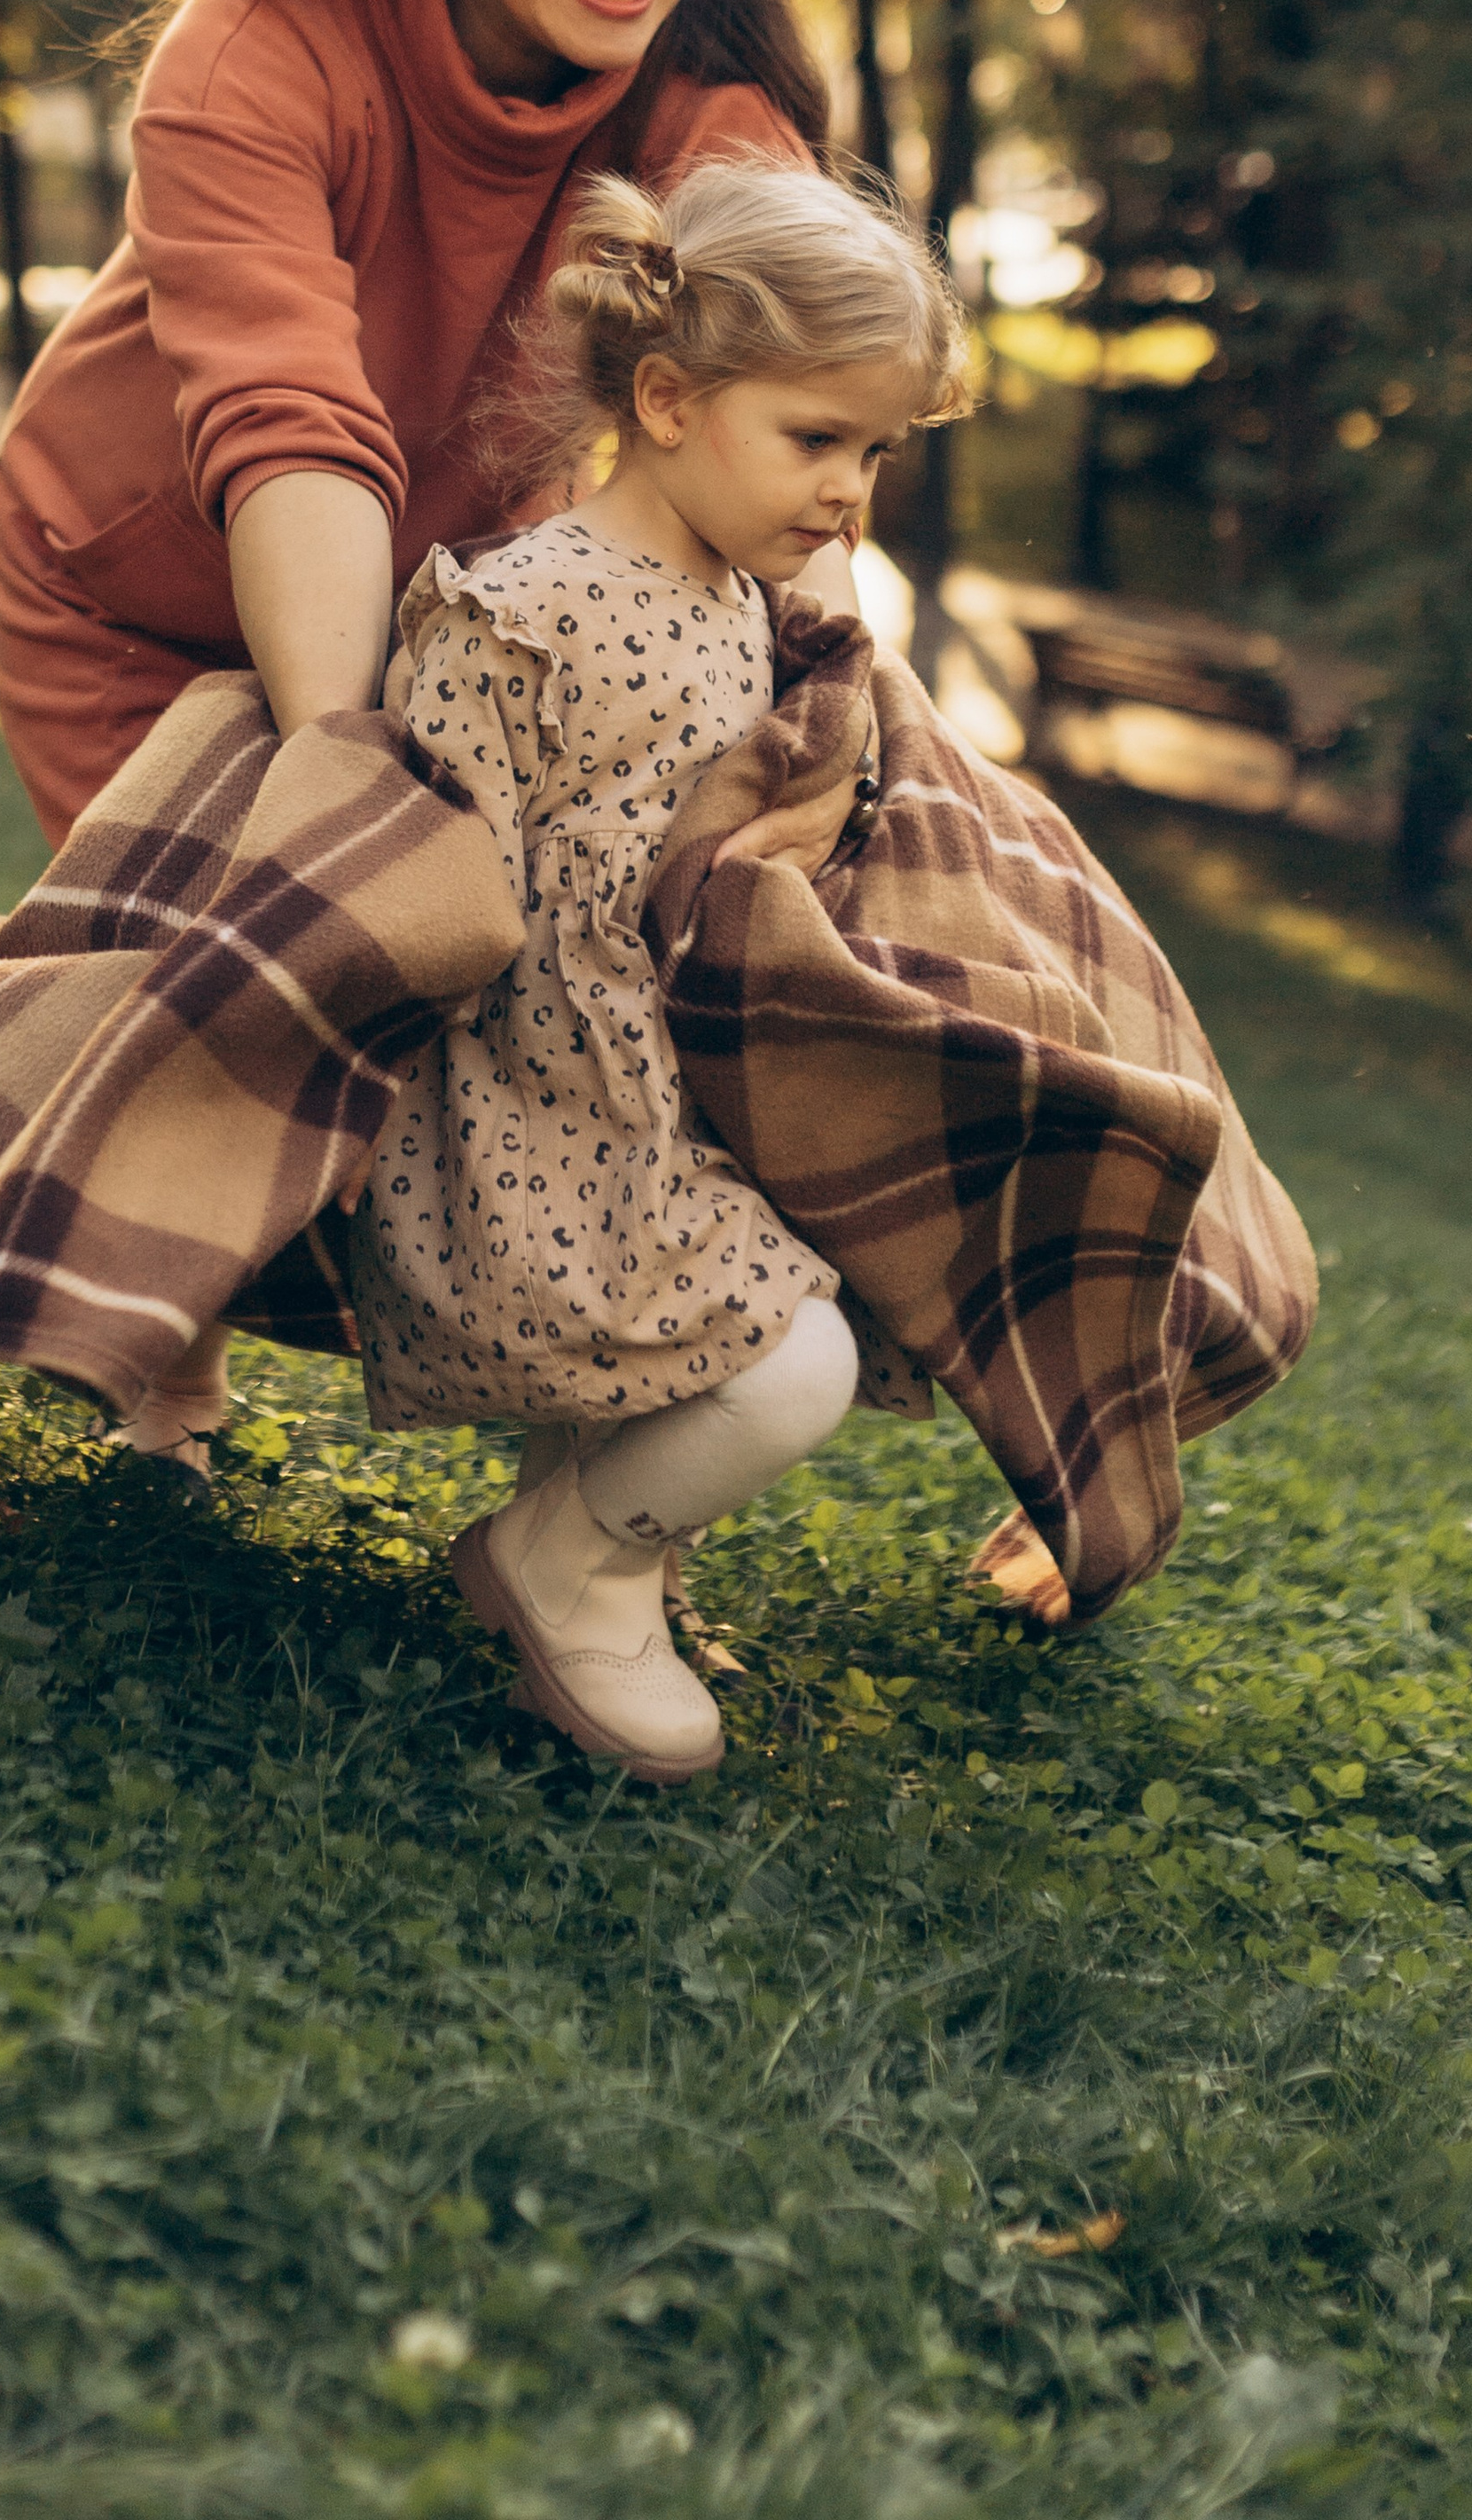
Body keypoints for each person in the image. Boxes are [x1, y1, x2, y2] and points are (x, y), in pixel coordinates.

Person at [0, 0, 863, 1475]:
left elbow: (740, 473)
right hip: (150, 591)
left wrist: (799, 726)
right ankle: (156, 1331)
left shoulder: (715, 124)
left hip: (468, 615)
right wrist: (344, 778)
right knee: (249, 979)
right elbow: (288, 422)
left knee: (555, 998)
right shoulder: (265, 42)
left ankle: (605, 1495)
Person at [348, 153, 971, 1780]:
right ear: (674, 398)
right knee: (793, 1370)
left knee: (768, 1334)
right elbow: (429, 872)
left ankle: (605, 1553)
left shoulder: (748, 607)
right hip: (534, 1108)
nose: (850, 492)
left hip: (671, 1091)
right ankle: (563, 1563)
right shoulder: (524, 609)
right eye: (817, 438)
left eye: (877, 450)